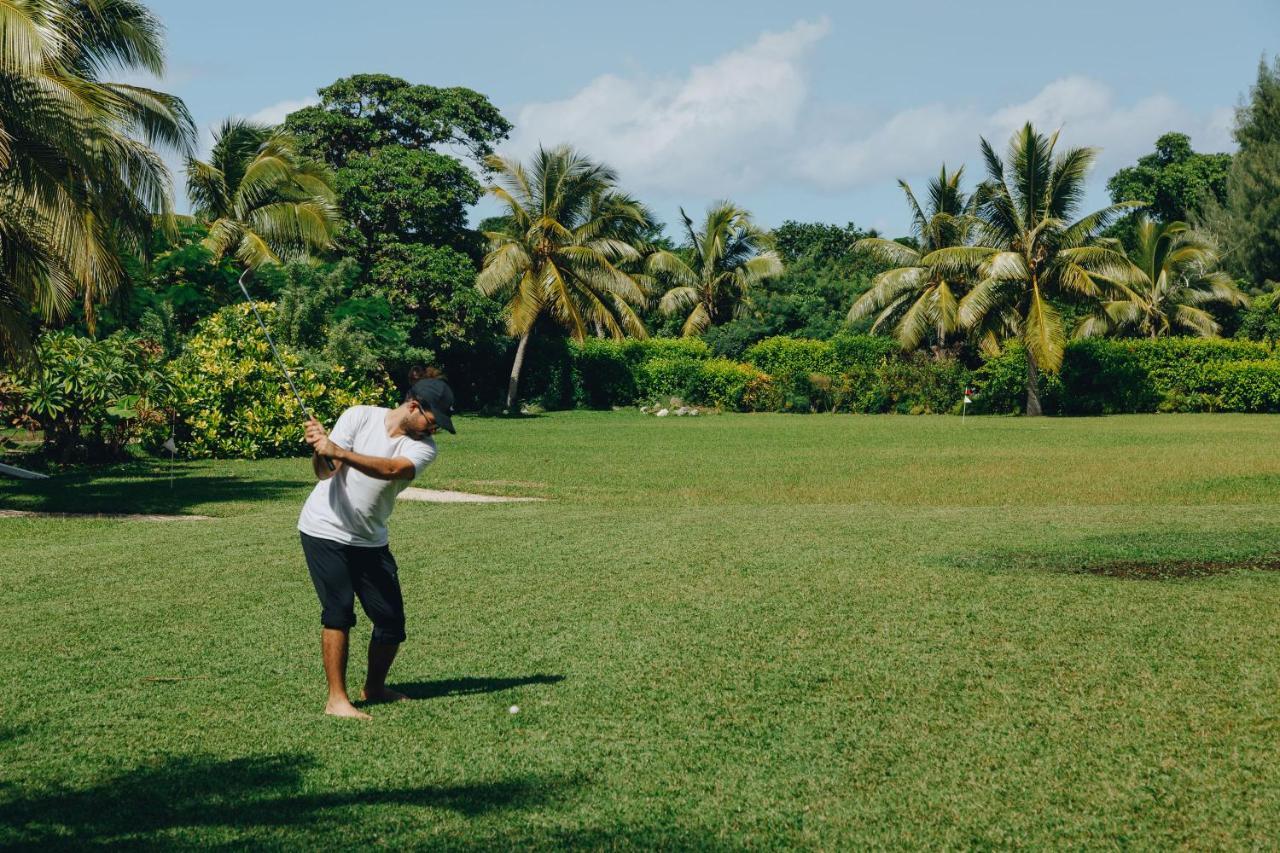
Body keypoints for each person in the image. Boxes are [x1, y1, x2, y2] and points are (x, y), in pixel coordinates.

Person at [298, 377, 455, 720]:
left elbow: (391, 470)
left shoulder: (423, 447)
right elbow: (325, 473)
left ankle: (374, 688)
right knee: (339, 610)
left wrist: (337, 449)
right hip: (324, 528)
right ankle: (336, 700)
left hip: (370, 538)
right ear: (414, 406)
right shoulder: (359, 416)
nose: (435, 430)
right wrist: (321, 450)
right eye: (433, 421)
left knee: (391, 620)